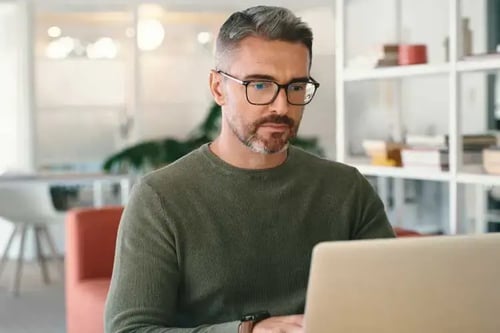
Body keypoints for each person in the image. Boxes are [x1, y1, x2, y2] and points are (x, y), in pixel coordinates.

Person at [105, 5, 394, 333]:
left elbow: (392, 300)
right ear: (218, 88)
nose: (281, 106)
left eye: (296, 87)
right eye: (259, 85)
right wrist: (247, 331)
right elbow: (129, 329)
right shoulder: (161, 198)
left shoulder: (346, 190)